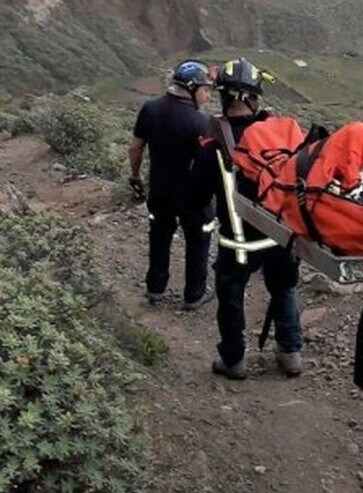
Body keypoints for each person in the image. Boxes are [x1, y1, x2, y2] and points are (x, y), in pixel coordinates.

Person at [203, 58, 303, 380]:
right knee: (284, 288)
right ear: (255, 97)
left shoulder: (214, 142)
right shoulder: (281, 135)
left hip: (238, 241)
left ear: (224, 97)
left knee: (231, 295)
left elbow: (195, 195)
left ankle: (234, 361)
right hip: (280, 234)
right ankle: (290, 353)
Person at [129, 60, 217, 311]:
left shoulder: (150, 109)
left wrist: (136, 176)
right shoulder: (202, 123)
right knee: (198, 242)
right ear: (191, 88)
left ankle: (155, 288)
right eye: (205, 89)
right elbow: (211, 164)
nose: (208, 95)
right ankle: (194, 294)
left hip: (160, 190)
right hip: (193, 197)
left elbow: (135, 147)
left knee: (159, 237)